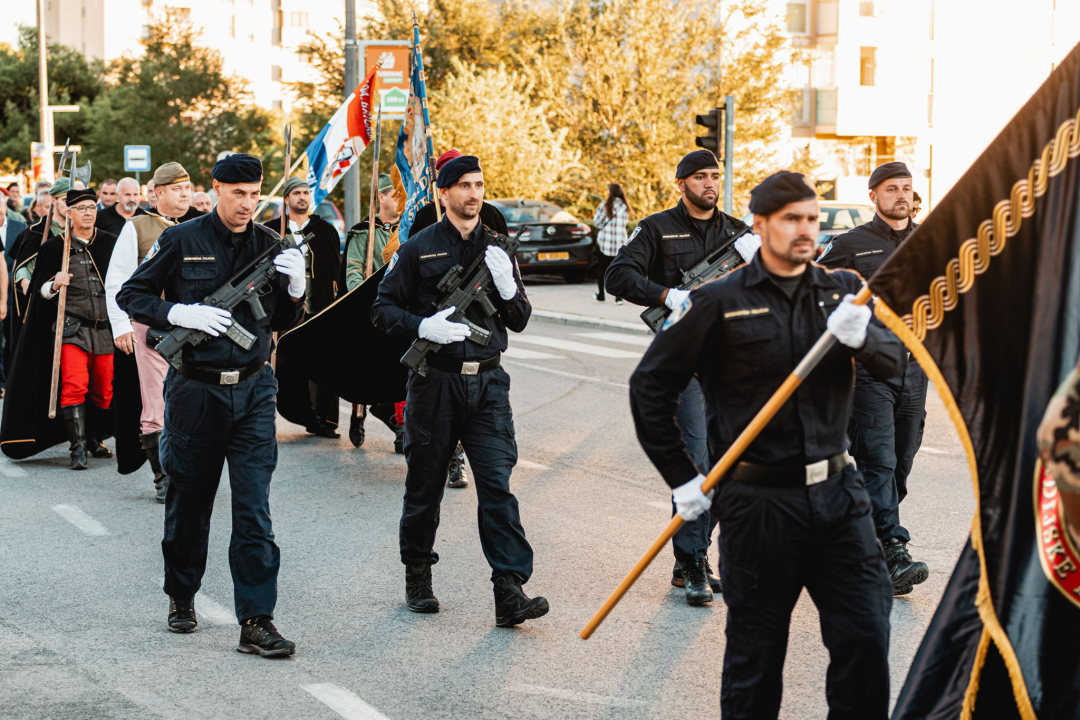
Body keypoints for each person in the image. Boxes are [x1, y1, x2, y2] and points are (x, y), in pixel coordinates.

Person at [630, 170, 905, 719]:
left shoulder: (842, 291)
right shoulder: (716, 302)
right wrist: (682, 477)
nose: (806, 229)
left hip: (839, 497)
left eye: (812, 218)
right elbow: (650, 387)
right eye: (791, 220)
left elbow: (895, 364)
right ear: (760, 225)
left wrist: (867, 338)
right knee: (756, 661)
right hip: (758, 505)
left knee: (866, 641)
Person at [117, 153, 306, 656]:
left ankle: (257, 620)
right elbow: (132, 295)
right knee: (189, 502)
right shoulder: (181, 239)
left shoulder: (271, 244)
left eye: (254, 193)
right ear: (216, 189)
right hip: (196, 391)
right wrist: (179, 311)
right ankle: (182, 593)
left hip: (253, 389)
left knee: (254, 510)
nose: (246, 203)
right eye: (237, 192)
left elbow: (283, 319)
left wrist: (297, 283)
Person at [371, 155, 550, 627]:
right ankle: (418, 575)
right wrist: (422, 325)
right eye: (464, 186)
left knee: (497, 486)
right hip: (436, 383)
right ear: (444, 194)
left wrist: (509, 287)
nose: (474, 194)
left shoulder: (498, 249)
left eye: (479, 185)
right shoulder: (417, 249)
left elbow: (520, 319)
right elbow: (381, 309)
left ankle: (509, 590)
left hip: (489, 382)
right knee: (424, 485)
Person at [605, 149, 750, 605]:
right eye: (701, 177)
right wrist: (669, 295)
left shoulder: (737, 233)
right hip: (685, 360)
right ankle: (691, 563)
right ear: (681, 183)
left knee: (731, 464)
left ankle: (697, 556)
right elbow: (618, 275)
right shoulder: (656, 228)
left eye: (715, 176)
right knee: (697, 462)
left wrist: (761, 260)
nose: (710, 183)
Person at [817, 161, 930, 596]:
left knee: (902, 460)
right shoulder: (849, 244)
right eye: (891, 189)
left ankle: (859, 538)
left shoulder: (930, 241)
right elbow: (816, 291)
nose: (900, 195)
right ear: (874, 197)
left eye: (906, 188)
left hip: (915, 366)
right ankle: (894, 548)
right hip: (866, 369)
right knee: (878, 459)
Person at [105, 162, 198, 502]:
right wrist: (120, 325)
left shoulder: (199, 225)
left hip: (194, 325)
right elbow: (118, 280)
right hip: (152, 327)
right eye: (177, 189)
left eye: (187, 188)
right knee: (156, 401)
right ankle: (162, 475)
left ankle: (187, 469)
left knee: (192, 398)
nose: (185, 194)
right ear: (159, 193)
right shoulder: (139, 227)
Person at [32, 188, 119, 469]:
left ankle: (94, 437)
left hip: (104, 329)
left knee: (104, 390)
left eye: (92, 207)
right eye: (82, 208)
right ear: (69, 214)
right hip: (71, 329)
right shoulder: (55, 247)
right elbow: (39, 292)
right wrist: (54, 284)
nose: (88, 213)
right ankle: (77, 448)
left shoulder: (109, 243)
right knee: (73, 387)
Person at [276, 175, 342, 438]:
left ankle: (321, 417)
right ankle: (300, 413)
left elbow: (336, 270)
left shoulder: (326, 230)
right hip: (288, 311)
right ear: (287, 199)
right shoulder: (273, 229)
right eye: (296, 193)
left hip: (320, 308)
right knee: (289, 366)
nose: (302, 197)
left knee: (322, 366)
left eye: (306, 192)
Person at [341, 173, 400, 449]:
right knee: (364, 367)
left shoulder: (408, 229)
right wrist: (361, 297)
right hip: (370, 308)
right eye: (394, 195)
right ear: (381, 197)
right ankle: (358, 412)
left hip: (398, 310)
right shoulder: (364, 231)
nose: (399, 201)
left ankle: (401, 425)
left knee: (398, 368)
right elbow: (353, 270)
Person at [592, 183, 631, 304]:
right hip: (620, 243)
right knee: (618, 271)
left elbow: (597, 223)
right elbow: (625, 223)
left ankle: (601, 295)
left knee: (602, 269)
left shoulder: (604, 206)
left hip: (605, 242)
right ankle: (618, 298)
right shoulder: (625, 207)